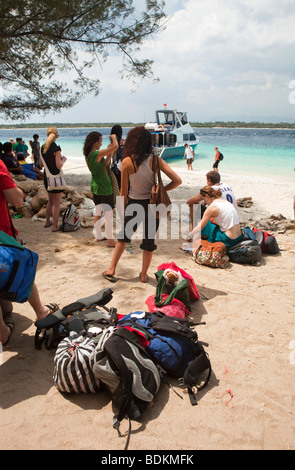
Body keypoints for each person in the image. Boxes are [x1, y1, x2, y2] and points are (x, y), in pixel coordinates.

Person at [102, 126, 182, 283]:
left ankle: (111, 268)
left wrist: (120, 210)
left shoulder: (127, 162)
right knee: (148, 242)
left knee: (122, 238)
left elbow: (123, 192)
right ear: (148, 143)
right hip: (153, 205)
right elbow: (177, 181)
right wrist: (161, 190)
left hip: (134, 204)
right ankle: (144, 275)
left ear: (132, 142)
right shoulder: (156, 161)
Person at [0, 160, 58, 346]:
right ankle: (40, 312)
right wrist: (16, 190)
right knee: (25, 267)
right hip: (3, 238)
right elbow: (16, 199)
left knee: (7, 306)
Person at [83, 131, 119, 247]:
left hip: (96, 187)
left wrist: (109, 152)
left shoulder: (90, 155)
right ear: (95, 142)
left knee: (98, 212)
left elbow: (105, 165)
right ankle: (110, 240)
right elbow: (116, 145)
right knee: (108, 214)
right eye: (100, 141)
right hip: (104, 188)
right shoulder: (96, 154)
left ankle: (98, 235)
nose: (101, 144)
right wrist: (113, 137)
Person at [189, 185, 242, 250]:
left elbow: (199, 227)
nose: (204, 202)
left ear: (207, 196)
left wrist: (189, 234)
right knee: (209, 221)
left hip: (228, 240)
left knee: (206, 222)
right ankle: (200, 238)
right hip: (238, 238)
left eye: (204, 199)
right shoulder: (225, 202)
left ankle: (194, 244)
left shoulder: (212, 208)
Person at [41, 127, 67, 232]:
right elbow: (58, 165)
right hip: (56, 178)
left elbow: (40, 164)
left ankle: (47, 221)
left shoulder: (42, 147)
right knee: (56, 203)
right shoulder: (56, 149)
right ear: (57, 136)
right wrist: (63, 160)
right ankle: (55, 226)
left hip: (47, 177)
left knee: (50, 201)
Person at [110, 124, 124, 190]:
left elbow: (110, 160)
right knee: (122, 189)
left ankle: (117, 200)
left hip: (114, 169)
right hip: (123, 169)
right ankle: (121, 201)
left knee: (115, 190)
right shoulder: (124, 143)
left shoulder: (110, 145)